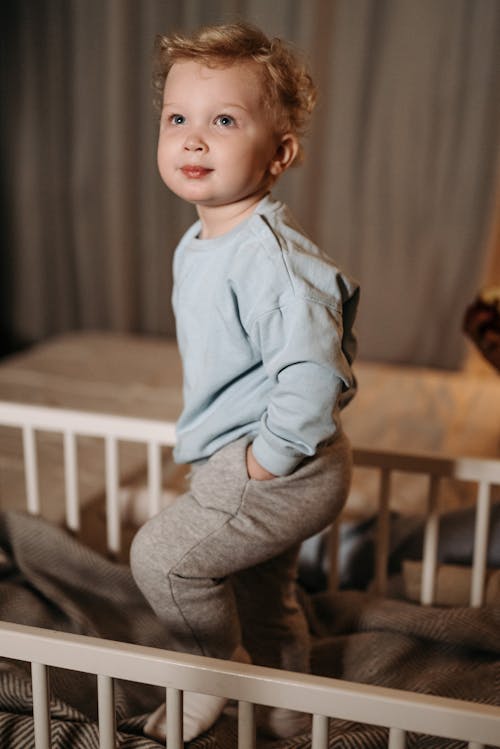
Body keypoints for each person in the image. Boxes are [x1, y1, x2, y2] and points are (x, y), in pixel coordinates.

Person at [130, 21, 360, 742]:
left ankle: (210, 672)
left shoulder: (272, 260)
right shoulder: (203, 239)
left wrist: (266, 458)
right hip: (261, 460)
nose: (193, 138)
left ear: (280, 154)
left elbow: (315, 370)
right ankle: (293, 711)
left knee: (163, 559)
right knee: (267, 596)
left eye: (223, 120)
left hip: (280, 465)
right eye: (178, 118)